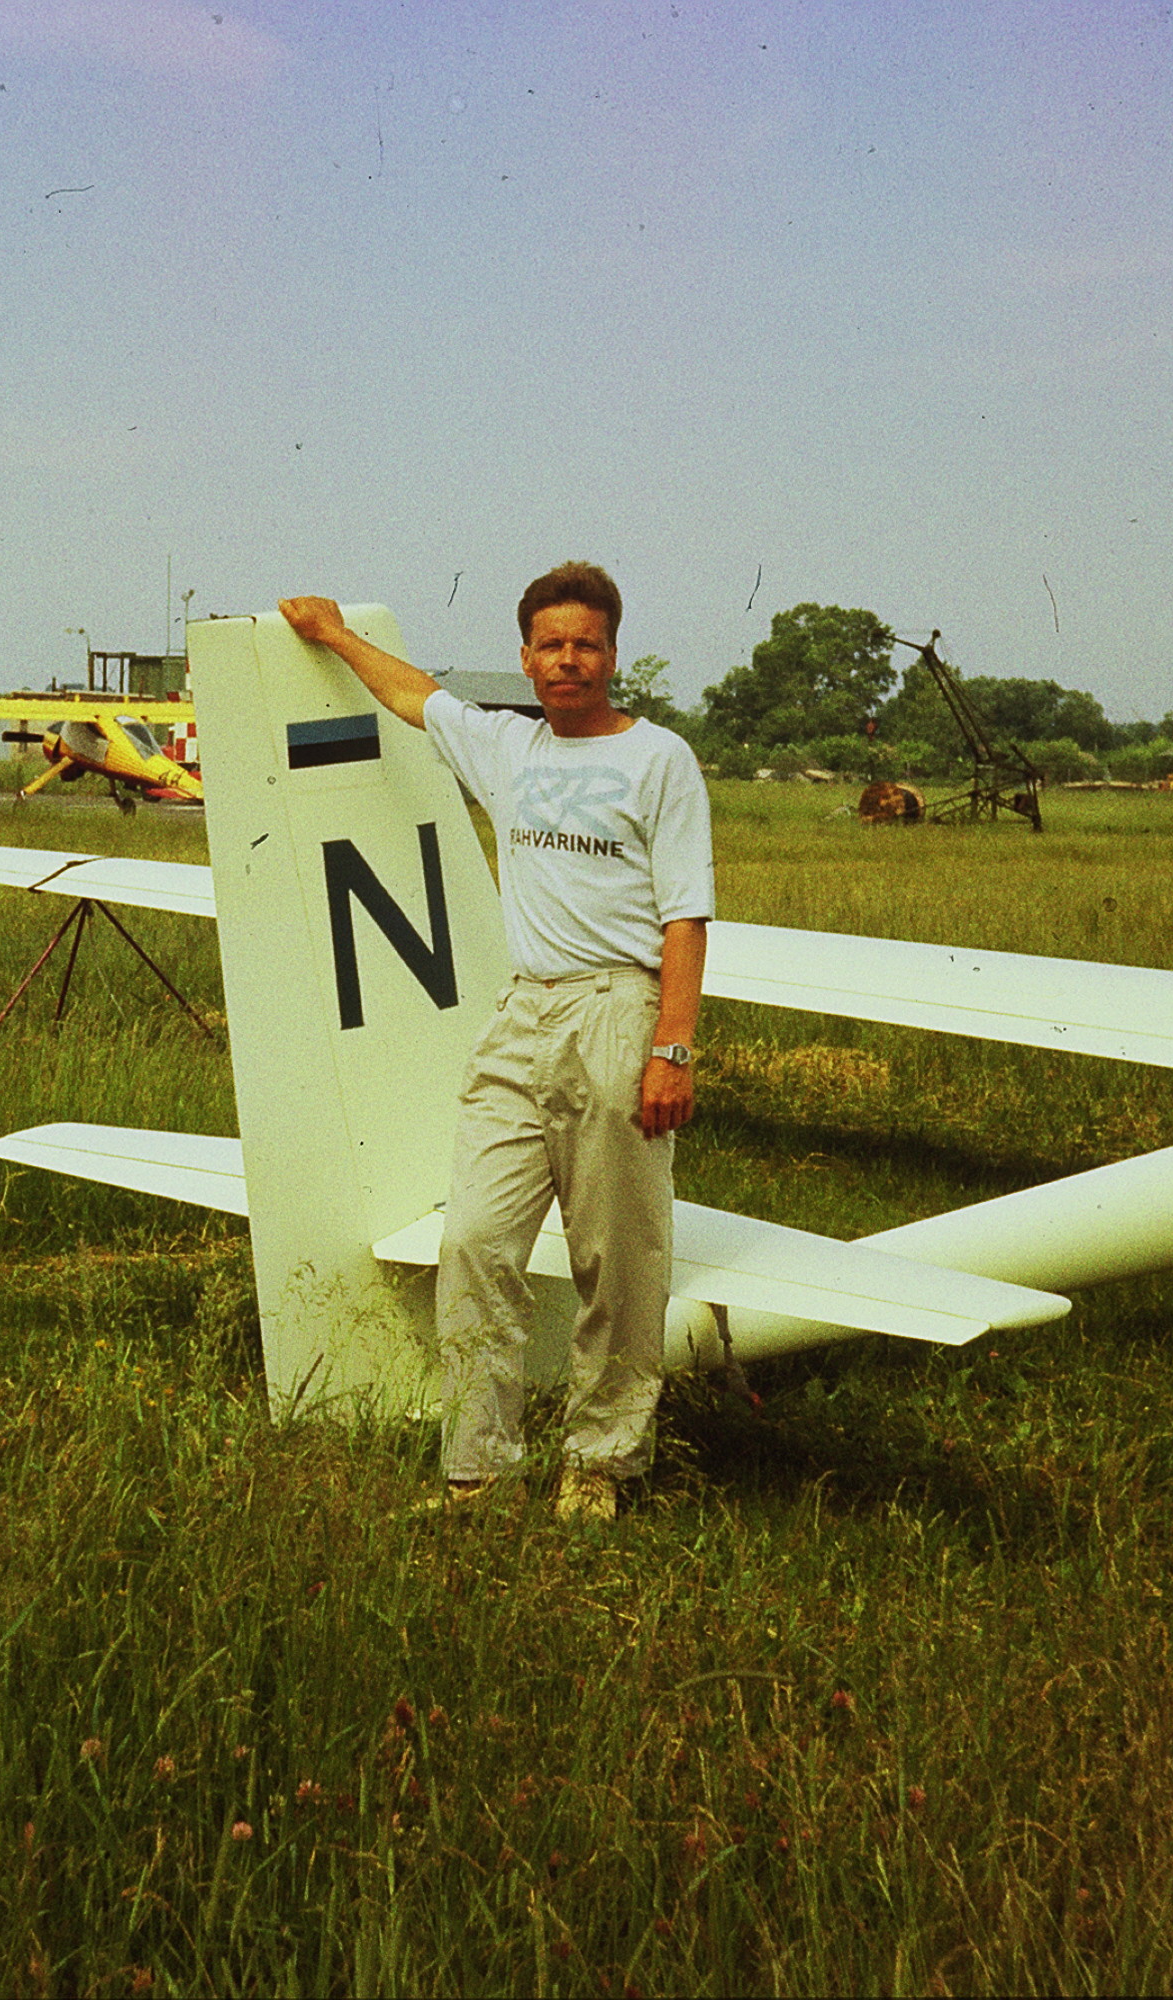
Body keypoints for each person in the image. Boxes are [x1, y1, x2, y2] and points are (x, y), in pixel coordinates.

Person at [277, 564, 712, 1522]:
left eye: (586, 645)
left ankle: (600, 1463)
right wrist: (334, 633)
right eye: (550, 646)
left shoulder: (659, 761)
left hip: (617, 1009)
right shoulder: (506, 747)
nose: (568, 661)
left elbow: (686, 918)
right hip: (522, 1015)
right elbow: (414, 695)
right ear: (525, 659)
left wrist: (671, 1049)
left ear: (611, 654)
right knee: (473, 1238)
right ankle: (479, 1468)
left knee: (617, 1259)